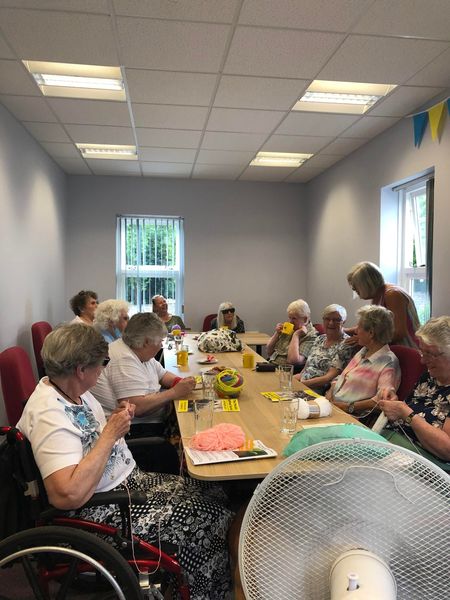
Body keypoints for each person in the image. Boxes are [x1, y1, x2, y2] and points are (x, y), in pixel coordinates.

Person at [16, 324, 234, 599]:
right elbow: (66, 495)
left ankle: (202, 582)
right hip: (104, 508)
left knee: (216, 492)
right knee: (211, 517)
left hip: (126, 485)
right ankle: (203, 592)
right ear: (81, 369)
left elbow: (84, 442)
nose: (104, 369)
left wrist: (113, 421)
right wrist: (110, 433)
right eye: (102, 364)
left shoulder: (73, 390)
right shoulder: (50, 414)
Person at [91, 312, 195, 431]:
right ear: (146, 342)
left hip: (149, 420)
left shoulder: (139, 350)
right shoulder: (123, 359)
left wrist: (181, 382)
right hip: (133, 428)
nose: (161, 345)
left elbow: (163, 375)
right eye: (160, 341)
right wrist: (175, 392)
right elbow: (137, 407)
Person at [378, 316, 450, 472]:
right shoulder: (429, 377)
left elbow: (447, 450)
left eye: (430, 354)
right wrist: (395, 403)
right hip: (392, 446)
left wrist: (406, 413)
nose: (423, 361)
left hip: (426, 465)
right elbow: (411, 408)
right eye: (422, 352)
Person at [326, 305, 400, 417]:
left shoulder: (388, 361)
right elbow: (342, 377)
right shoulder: (363, 351)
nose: (355, 331)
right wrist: (331, 391)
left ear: (371, 333)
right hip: (333, 407)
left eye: (359, 327)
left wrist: (348, 407)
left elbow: (382, 400)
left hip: (351, 416)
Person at [347, 261, 420, 348]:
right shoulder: (377, 295)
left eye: (356, 286)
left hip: (407, 347)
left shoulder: (392, 295)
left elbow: (399, 332)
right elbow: (368, 326)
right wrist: (344, 330)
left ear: (367, 284)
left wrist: (366, 339)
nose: (354, 289)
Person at [294, 304, 355, 394]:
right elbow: (306, 369)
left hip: (319, 390)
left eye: (336, 320)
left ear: (344, 321)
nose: (331, 323)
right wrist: (290, 380)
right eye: (327, 319)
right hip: (302, 384)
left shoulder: (346, 344)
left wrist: (300, 384)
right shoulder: (320, 338)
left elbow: (328, 378)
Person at [266, 299, 317, 368]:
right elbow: (269, 352)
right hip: (272, 365)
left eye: (294, 318)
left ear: (305, 319)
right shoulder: (290, 328)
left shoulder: (311, 336)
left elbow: (293, 361)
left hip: (285, 372)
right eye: (289, 318)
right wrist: (277, 334)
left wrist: (296, 335)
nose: (290, 321)